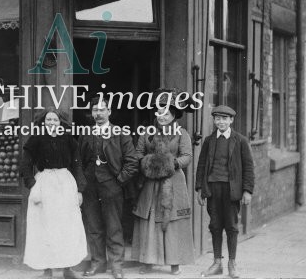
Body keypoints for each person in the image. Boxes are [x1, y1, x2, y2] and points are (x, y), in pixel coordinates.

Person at [131, 90, 194, 275]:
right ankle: (147, 260)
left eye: (166, 113)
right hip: (151, 183)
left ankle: (175, 262)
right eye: (159, 112)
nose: (162, 116)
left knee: (173, 219)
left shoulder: (182, 134)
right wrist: (149, 164)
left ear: (173, 115)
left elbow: (187, 157)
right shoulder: (147, 133)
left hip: (173, 181)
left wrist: (169, 164)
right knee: (149, 218)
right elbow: (138, 155)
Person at [20, 108, 86, 279]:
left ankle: (67, 268)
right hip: (44, 184)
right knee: (44, 227)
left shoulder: (69, 140)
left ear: (60, 122)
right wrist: (32, 184)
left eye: (55, 120)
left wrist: (79, 189)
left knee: (67, 227)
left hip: (65, 183)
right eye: (48, 120)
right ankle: (47, 270)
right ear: (43, 122)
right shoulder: (36, 139)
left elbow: (77, 165)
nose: (52, 123)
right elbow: (25, 164)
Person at [79, 96, 139, 279]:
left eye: (101, 109)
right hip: (90, 187)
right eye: (95, 110)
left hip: (112, 187)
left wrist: (119, 181)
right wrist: (82, 185)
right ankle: (98, 263)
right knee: (93, 226)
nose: (98, 113)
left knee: (114, 227)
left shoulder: (121, 134)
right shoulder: (85, 133)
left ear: (109, 111)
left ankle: (116, 266)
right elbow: (79, 162)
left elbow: (132, 162)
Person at [195, 105, 255, 279]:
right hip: (212, 189)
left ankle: (232, 263)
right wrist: (199, 188)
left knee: (231, 226)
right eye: (217, 119)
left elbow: (249, 167)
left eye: (224, 119)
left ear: (231, 120)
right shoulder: (209, 140)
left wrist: (247, 191)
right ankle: (217, 263)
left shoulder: (241, 141)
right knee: (214, 226)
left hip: (231, 190)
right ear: (214, 120)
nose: (220, 122)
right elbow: (201, 165)